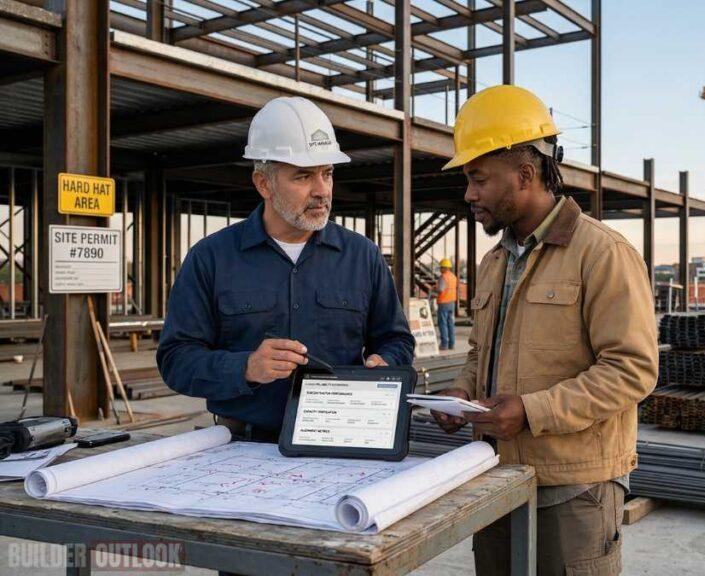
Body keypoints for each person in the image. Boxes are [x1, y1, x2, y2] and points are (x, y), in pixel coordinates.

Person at [432, 85, 658, 576]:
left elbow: (633, 370)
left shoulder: (601, 254)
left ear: (526, 174)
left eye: (478, 179)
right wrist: (462, 392)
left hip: (573, 490)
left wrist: (531, 412)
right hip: (495, 477)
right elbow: (481, 353)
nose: (468, 194)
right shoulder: (494, 262)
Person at [157, 96, 416, 444]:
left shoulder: (362, 256)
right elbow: (176, 360)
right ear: (264, 183)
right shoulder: (211, 259)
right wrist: (246, 367)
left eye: (327, 174)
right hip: (241, 450)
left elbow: (396, 339)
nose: (321, 190)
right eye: (304, 176)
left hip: (343, 443)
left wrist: (384, 361)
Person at [436, 258, 458, 350]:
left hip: (443, 303)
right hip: (452, 303)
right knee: (450, 324)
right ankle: (451, 344)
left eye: (441, 267)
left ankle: (444, 344)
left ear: (445, 268)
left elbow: (441, 289)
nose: (440, 269)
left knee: (443, 323)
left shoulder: (443, 277)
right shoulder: (453, 277)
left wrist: (434, 289)